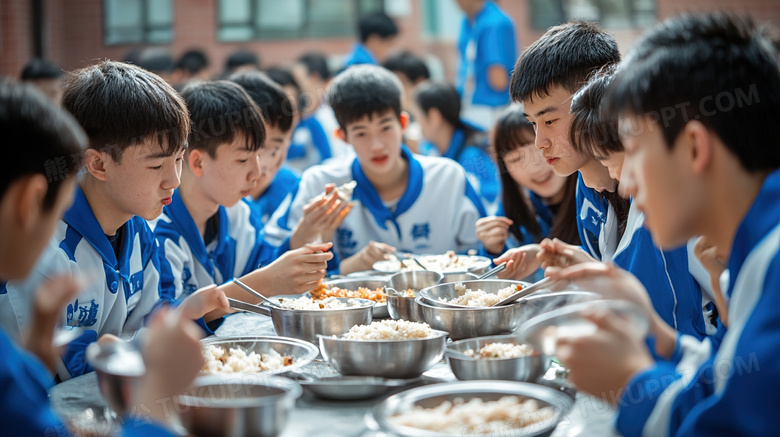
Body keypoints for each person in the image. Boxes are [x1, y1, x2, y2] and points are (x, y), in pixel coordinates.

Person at [547, 13, 780, 436]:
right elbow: (727, 388)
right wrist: (659, 335)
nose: (625, 181)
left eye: (633, 151)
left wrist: (633, 382)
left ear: (693, 147)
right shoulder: (753, 249)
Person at [0, 80, 221, 437]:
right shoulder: (38, 253)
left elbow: (152, 316)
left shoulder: (139, 231)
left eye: (178, 159)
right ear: (98, 165)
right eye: (156, 166)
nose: (174, 180)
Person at [264, 65, 486, 274]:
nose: (377, 145)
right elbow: (268, 262)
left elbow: (484, 255)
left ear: (403, 123)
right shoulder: (318, 183)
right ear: (342, 136)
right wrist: (327, 253)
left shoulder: (449, 178)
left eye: (385, 128)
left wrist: (493, 249)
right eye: (361, 133)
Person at [149, 80, 332, 308]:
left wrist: (303, 235)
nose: (256, 173)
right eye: (243, 160)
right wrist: (264, 284)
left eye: (259, 155)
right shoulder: (156, 230)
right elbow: (164, 323)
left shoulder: (240, 211)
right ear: (198, 162)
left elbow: (262, 265)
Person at [494, 20, 628, 280]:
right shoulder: (586, 182)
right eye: (533, 123)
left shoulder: (645, 191)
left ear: (596, 101)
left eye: (550, 121)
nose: (539, 143)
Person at [477, 105, 579, 263]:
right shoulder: (512, 210)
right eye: (516, 159)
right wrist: (492, 250)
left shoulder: (595, 197)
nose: (535, 167)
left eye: (539, 149)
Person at [413, 80, 500, 212]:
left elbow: (489, 202)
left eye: (417, 117)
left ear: (434, 116)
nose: (417, 124)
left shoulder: (471, 155)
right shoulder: (433, 149)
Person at [228, 70, 300, 225]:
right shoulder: (215, 204)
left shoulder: (293, 187)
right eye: (251, 151)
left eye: (274, 149)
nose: (260, 165)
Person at [455, 0, 517, 130]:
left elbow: (498, 80)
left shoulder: (495, 23)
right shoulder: (467, 21)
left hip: (490, 110)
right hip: (469, 105)